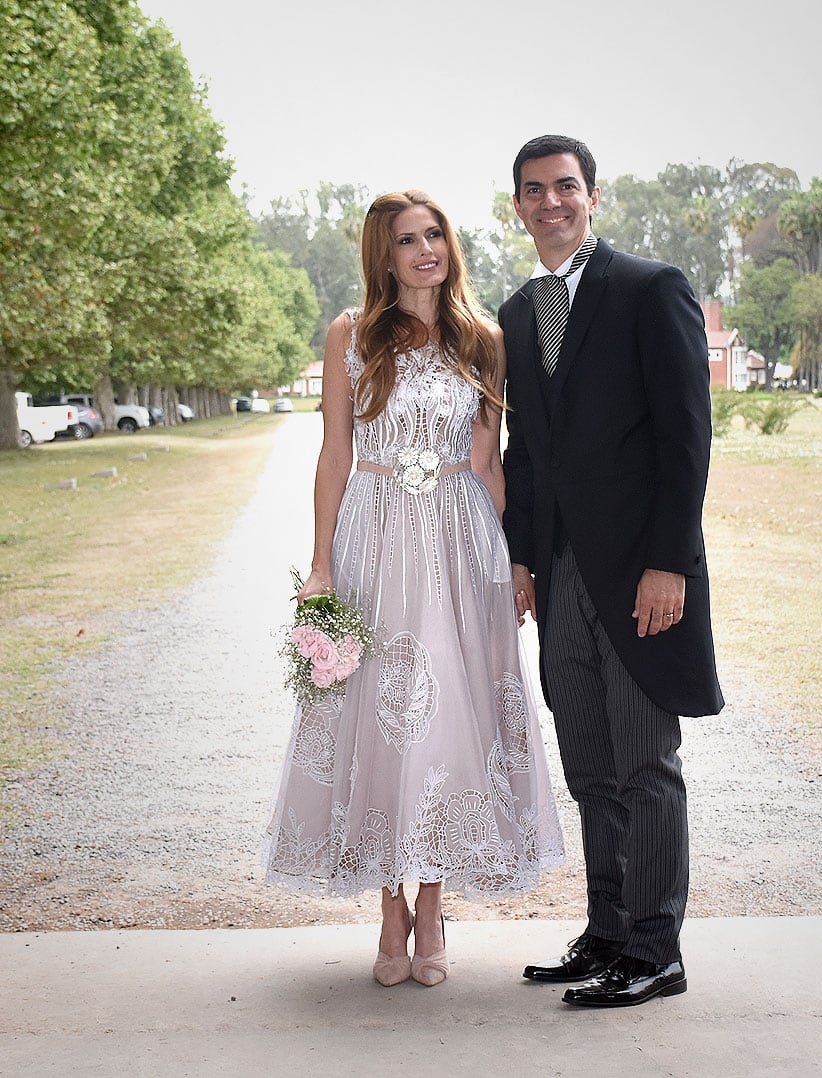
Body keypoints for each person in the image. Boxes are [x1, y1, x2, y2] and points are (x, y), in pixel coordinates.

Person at [262, 190, 565, 988]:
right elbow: (334, 455)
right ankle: (388, 906)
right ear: (384, 254)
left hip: (462, 540)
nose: (426, 249)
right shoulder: (350, 336)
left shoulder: (483, 338)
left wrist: (511, 566)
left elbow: (491, 461)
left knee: (454, 715)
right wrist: (321, 565)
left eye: (435, 236)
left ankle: (432, 902)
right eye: (408, 240)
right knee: (378, 713)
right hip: (376, 530)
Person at [499, 136, 724, 1008]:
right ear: (517, 206)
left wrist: (671, 563)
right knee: (591, 764)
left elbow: (686, 437)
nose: (551, 202)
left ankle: (656, 948)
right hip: (559, 577)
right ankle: (605, 935)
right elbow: (527, 452)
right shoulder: (520, 313)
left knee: (646, 764)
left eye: (565, 187)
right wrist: (521, 554)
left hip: (641, 576)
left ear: (594, 197)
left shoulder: (650, 288)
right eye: (533, 191)